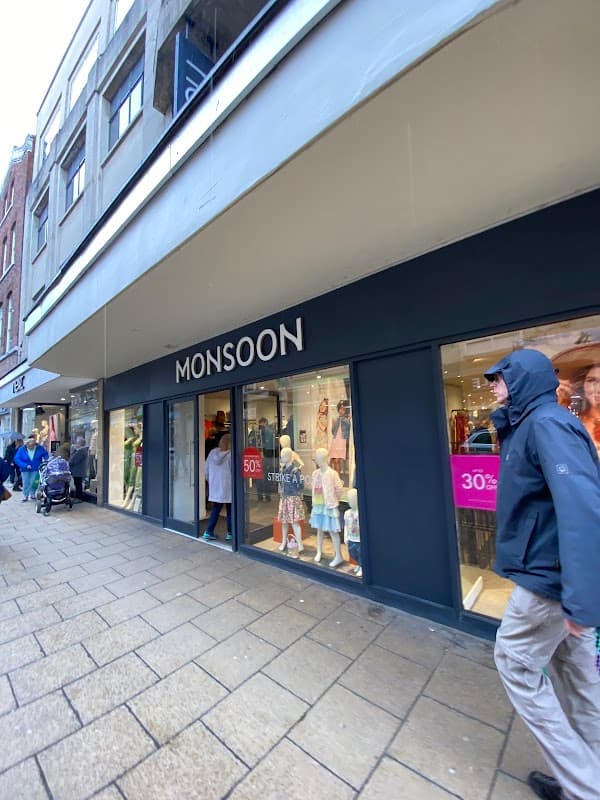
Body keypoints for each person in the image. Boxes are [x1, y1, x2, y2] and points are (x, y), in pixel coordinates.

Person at [484, 348, 600, 800]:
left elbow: (582, 508)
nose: (492, 385)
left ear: (523, 379)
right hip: (558, 580)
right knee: (577, 676)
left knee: (514, 662)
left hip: (548, 582)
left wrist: (582, 597)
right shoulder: (533, 424)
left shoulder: (547, 423)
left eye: (500, 377)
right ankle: (591, 776)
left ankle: (584, 785)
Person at [310, 447, 344, 568]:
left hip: (329, 505)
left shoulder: (332, 473)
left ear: (322, 459)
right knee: (319, 529)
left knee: (332, 531)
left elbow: (339, 488)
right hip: (319, 505)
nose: (316, 460)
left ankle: (338, 555)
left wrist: (334, 500)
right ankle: (319, 551)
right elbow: (314, 489)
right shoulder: (315, 473)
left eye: (317, 458)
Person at [202, 433, 232, 542]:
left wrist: (211, 481)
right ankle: (230, 532)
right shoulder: (231, 455)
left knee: (216, 509)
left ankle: (208, 531)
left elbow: (206, 471)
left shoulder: (212, 453)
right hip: (228, 487)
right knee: (230, 510)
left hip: (215, 487)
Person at [277, 446, 306, 555]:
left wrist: (296, 493)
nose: (281, 458)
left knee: (294, 522)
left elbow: (301, 484)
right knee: (284, 522)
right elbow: (280, 482)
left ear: (288, 457)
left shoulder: (295, 469)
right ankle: (284, 541)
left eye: (283, 456)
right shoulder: (283, 469)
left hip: (292, 498)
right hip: (284, 498)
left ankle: (300, 544)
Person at [14, 435, 47, 502]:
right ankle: (25, 496)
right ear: (26, 444)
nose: (31, 447)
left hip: (36, 468)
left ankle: (32, 494)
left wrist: (46, 460)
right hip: (25, 469)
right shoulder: (22, 449)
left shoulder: (39, 448)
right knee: (26, 482)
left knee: (34, 482)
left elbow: (45, 454)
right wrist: (25, 465)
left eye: (32, 446)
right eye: (29, 446)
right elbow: (17, 459)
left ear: (35, 444)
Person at [69, 436, 89, 500]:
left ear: (80, 443)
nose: (76, 444)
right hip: (79, 471)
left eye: (77, 443)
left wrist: (73, 450)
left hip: (78, 471)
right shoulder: (83, 451)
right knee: (78, 484)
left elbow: (73, 460)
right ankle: (79, 496)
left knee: (78, 485)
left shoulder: (81, 451)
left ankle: (79, 497)